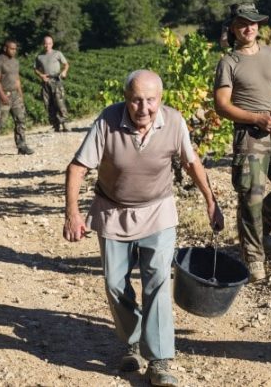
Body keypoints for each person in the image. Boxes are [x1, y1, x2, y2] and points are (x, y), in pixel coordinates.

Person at [63, 70, 224, 387]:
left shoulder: (174, 122)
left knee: (158, 283)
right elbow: (78, 167)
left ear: (160, 99)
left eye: (151, 100)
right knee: (114, 284)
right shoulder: (108, 121)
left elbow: (192, 163)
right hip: (113, 211)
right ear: (126, 98)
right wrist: (72, 212)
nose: (143, 107)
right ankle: (133, 340)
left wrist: (211, 201)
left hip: (158, 212)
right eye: (136, 100)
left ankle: (160, 359)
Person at [214, 2, 271, 282]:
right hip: (249, 135)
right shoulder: (229, 62)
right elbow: (222, 105)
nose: (248, 28)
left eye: (252, 23)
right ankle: (253, 257)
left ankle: (261, 227)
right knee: (250, 196)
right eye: (242, 23)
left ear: (259, 26)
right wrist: (255, 118)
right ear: (233, 28)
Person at [0, 40, 34, 155]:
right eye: (11, 49)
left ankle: (22, 146)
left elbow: (17, 79)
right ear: (5, 48)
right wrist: (2, 95)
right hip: (3, 95)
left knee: (20, 120)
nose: (14, 51)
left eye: (15, 49)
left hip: (15, 95)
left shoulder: (15, 62)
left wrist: (20, 93)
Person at [34, 35, 71, 132]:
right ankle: (55, 125)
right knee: (48, 104)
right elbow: (35, 69)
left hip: (56, 80)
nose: (47, 45)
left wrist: (64, 71)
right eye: (45, 43)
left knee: (59, 102)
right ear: (43, 44)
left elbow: (66, 64)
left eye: (49, 43)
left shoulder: (57, 53)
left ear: (52, 44)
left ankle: (65, 123)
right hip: (46, 81)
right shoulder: (39, 56)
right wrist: (41, 75)